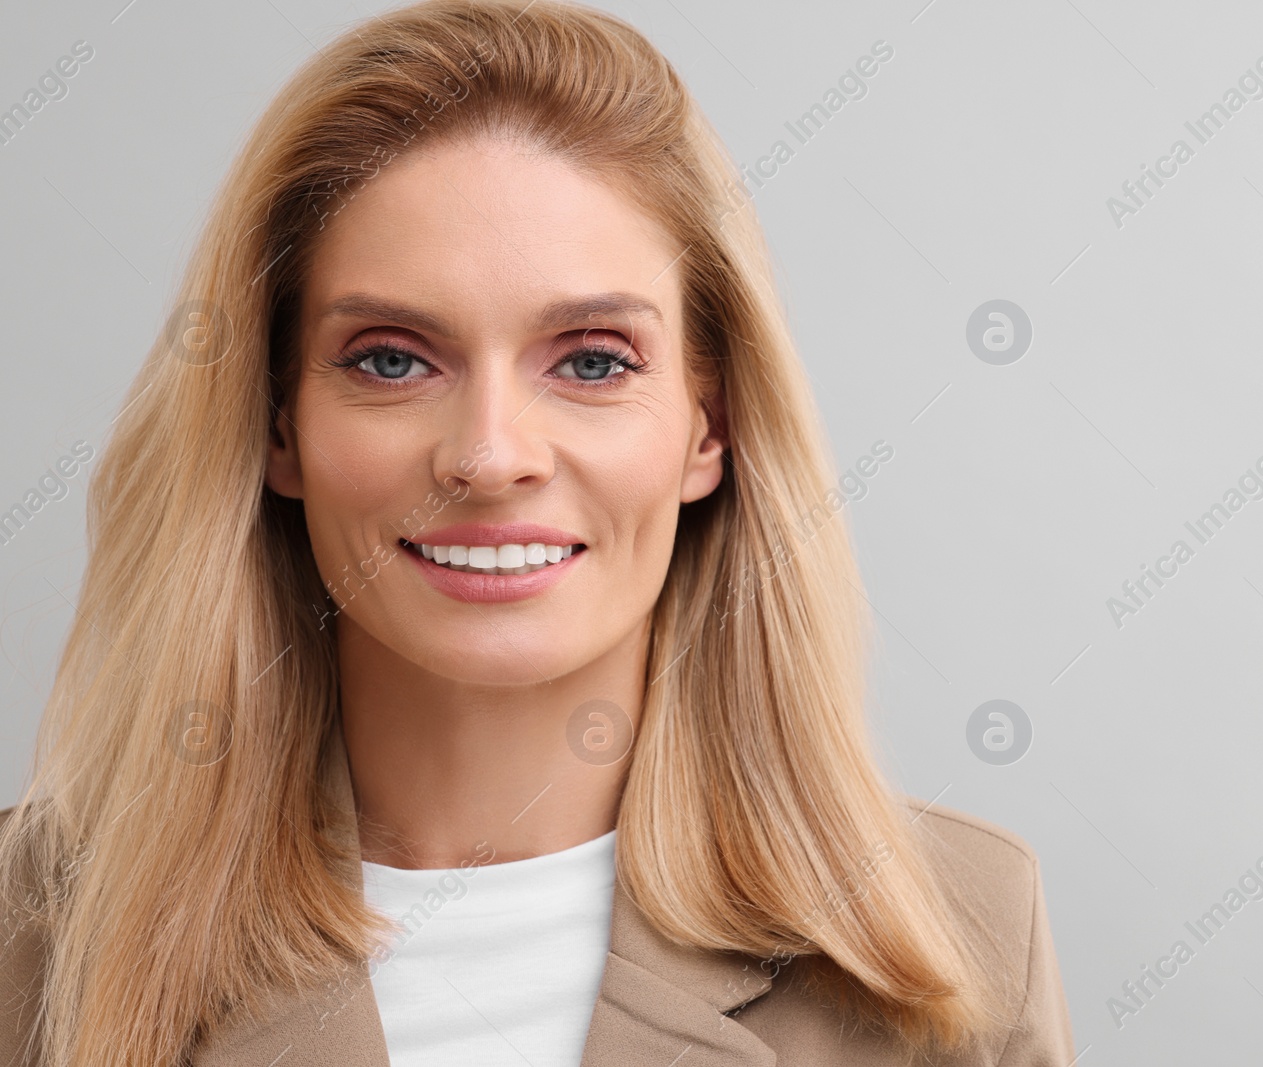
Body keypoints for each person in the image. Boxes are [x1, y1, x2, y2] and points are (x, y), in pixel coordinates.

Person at [0, 1, 1075, 1063]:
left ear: (713, 425)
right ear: (275, 422)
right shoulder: (28, 932)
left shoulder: (966, 927)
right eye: (389, 358)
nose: (490, 454)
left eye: (594, 360)